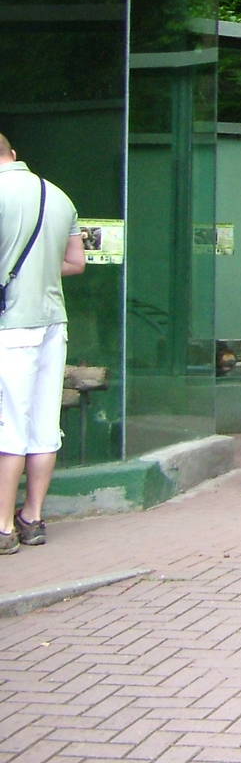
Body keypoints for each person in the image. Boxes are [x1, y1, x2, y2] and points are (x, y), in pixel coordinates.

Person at [0, 132, 86, 554]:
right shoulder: (59, 196)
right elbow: (76, 262)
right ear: (14, 155)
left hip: (10, 326)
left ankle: (1, 528)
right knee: (43, 425)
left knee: (9, 425)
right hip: (54, 324)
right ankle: (32, 518)